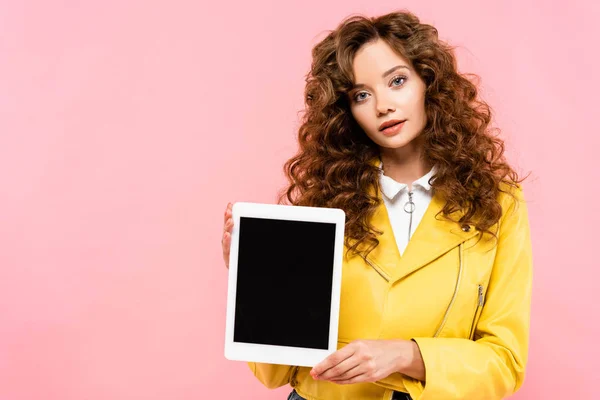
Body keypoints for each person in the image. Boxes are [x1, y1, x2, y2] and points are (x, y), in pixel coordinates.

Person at [221, 9, 533, 400]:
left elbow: (505, 362)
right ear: (346, 111)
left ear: (428, 83)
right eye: (361, 95)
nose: (382, 105)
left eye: (397, 81)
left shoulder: (498, 203)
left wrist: (408, 355)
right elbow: (274, 372)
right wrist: (254, 278)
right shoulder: (323, 204)